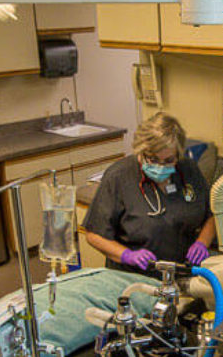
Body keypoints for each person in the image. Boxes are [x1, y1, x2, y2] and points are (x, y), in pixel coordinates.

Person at [84, 112, 215, 274]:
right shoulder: (118, 177)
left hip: (181, 272)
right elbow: (94, 234)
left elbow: (211, 214)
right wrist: (126, 255)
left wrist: (202, 242)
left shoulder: (188, 170)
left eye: (168, 160)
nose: (160, 166)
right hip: (132, 277)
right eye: (152, 159)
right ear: (140, 151)